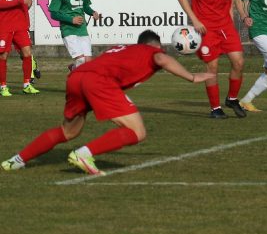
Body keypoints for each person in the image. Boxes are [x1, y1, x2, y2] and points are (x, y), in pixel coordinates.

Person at [1, 30, 214, 175]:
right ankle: (83, 155)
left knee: (68, 132)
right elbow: (161, 60)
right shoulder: (152, 51)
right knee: (137, 131)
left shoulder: (120, 48)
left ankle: (17, 160)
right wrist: (193, 77)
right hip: (98, 82)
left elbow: (99, 61)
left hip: (78, 77)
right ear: (154, 45)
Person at [177, 0, 246, 119]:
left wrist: (230, 17)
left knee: (239, 62)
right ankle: (215, 109)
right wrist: (195, 21)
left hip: (225, 25)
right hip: (206, 28)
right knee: (212, 68)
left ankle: (232, 98)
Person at [49, 0, 100, 70]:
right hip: (68, 30)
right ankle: (75, 75)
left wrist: (92, 12)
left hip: (82, 29)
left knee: (88, 63)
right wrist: (71, 19)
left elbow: (85, 6)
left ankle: (74, 70)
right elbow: (53, 14)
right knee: (80, 60)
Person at [0, 0, 39, 96]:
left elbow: (26, 0)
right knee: (3, 56)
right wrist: (19, 0)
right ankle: (3, 86)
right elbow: (1, 4)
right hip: (4, 26)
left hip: (20, 26)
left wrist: (29, 3)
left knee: (27, 53)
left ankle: (27, 84)